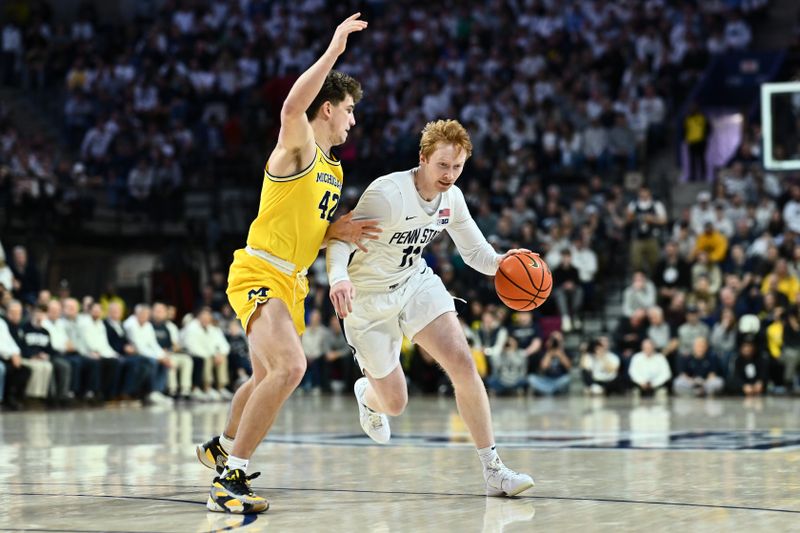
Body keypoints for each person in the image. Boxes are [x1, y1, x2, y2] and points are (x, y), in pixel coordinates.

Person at [195, 14, 377, 514]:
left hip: (291, 279)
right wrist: (334, 50)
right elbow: (292, 105)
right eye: (347, 110)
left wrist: (332, 233)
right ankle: (227, 479)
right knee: (292, 367)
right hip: (260, 271)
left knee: (263, 379)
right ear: (326, 110)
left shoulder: (334, 169)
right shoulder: (297, 146)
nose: (352, 120)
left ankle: (220, 446)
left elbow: (302, 234)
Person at [326, 119, 534, 497]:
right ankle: (367, 394)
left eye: (457, 167)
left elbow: (475, 253)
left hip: (414, 283)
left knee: (462, 362)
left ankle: (493, 469)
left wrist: (504, 262)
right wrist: (338, 278)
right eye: (442, 165)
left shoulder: (452, 199)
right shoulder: (388, 194)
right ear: (423, 158)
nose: (449, 175)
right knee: (395, 402)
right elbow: (341, 239)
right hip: (367, 299)